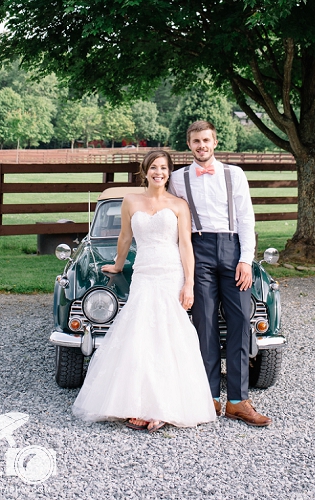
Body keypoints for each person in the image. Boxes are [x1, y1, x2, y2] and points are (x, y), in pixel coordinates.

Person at [73, 150, 217, 432]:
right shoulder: (131, 201)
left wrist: (189, 282)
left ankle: (163, 407)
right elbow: (125, 236)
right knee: (139, 334)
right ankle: (136, 403)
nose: (158, 172)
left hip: (170, 273)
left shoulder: (179, 205)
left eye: (163, 168)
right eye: (153, 167)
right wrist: (117, 264)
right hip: (143, 272)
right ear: (145, 170)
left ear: (169, 172)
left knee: (167, 335)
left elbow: (185, 245)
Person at [168, 121, 270, 427]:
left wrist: (246, 260)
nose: (202, 146)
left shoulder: (233, 174)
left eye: (206, 140)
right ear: (189, 145)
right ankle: (208, 397)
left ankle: (238, 401)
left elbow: (246, 218)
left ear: (215, 142)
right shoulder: (177, 178)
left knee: (240, 321)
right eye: (196, 141)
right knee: (205, 324)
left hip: (231, 248)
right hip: (198, 251)